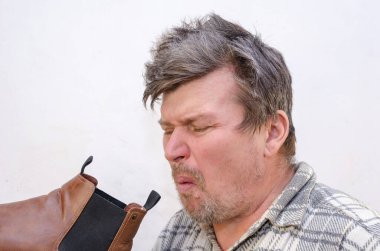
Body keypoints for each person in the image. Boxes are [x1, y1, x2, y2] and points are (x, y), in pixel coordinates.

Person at [143, 13, 380, 250]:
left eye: (199, 127)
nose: (171, 151)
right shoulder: (178, 232)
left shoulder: (357, 241)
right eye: (168, 130)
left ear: (272, 133)